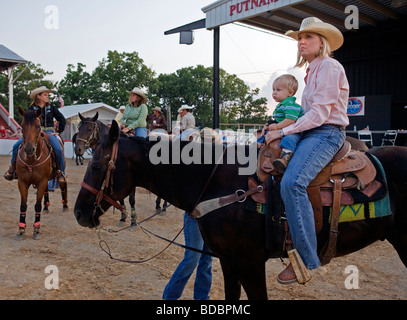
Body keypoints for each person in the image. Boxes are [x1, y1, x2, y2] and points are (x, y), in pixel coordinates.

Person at [264, 17, 349, 284]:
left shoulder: (330, 67)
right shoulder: (311, 72)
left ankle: (305, 257)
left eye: (308, 37)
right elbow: (305, 114)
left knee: (292, 182)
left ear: (321, 42)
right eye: (300, 38)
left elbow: (320, 114)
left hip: (327, 132)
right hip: (311, 130)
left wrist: (284, 131)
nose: (301, 41)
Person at [4, 86, 67, 183]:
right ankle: (12, 168)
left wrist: (59, 131)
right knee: (16, 145)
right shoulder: (31, 109)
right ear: (39, 96)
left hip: (49, 132)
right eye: (45, 95)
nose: (47, 97)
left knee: (58, 149)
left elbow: (62, 119)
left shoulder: (52, 107)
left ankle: (60, 172)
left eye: (47, 95)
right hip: (34, 132)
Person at [258, 74, 304, 174]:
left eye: (278, 90)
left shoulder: (291, 105)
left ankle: (285, 157)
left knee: (289, 139)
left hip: (293, 130)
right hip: (284, 127)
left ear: (290, 93)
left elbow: (290, 120)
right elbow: (280, 118)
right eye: (273, 89)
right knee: (267, 131)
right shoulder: (283, 104)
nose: (274, 92)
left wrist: (277, 126)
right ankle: (260, 144)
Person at [162, 213, 212, 300]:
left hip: (213, 219)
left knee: (207, 260)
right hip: (195, 217)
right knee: (192, 259)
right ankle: (169, 296)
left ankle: (202, 297)